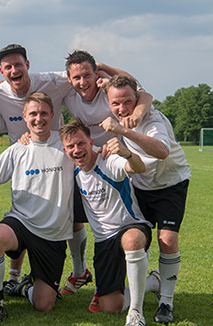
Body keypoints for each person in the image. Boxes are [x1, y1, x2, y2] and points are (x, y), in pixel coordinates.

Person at [60, 50, 153, 307]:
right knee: (109, 308)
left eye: (87, 74)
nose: (82, 82)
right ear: (69, 79)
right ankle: (89, 273)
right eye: (76, 77)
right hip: (85, 163)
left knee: (127, 229)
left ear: (95, 73)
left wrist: (105, 68)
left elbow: (140, 91)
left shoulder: (108, 89)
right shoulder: (67, 93)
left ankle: (137, 302)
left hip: (110, 158)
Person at [101, 75, 191, 324]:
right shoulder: (121, 109)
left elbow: (161, 152)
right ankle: (149, 283)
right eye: (115, 104)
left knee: (168, 240)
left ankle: (166, 302)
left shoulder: (153, 120)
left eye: (127, 102)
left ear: (137, 97)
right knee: (136, 240)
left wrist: (123, 130)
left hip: (170, 184)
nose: (121, 108)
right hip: (139, 185)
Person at [0, 92, 74, 323]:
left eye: (44, 113)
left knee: (43, 305)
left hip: (52, 234)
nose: (39, 118)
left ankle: (24, 287)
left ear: (52, 115)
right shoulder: (18, 149)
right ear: (24, 116)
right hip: (21, 223)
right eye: (33, 113)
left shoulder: (66, 144)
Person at [61, 120, 160, 326]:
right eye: (71, 146)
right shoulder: (71, 169)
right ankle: (153, 281)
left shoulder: (108, 160)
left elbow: (138, 168)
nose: (77, 150)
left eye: (81, 144)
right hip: (104, 241)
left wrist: (128, 154)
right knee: (110, 307)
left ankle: (136, 313)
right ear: (65, 150)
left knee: (132, 240)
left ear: (91, 142)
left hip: (131, 226)